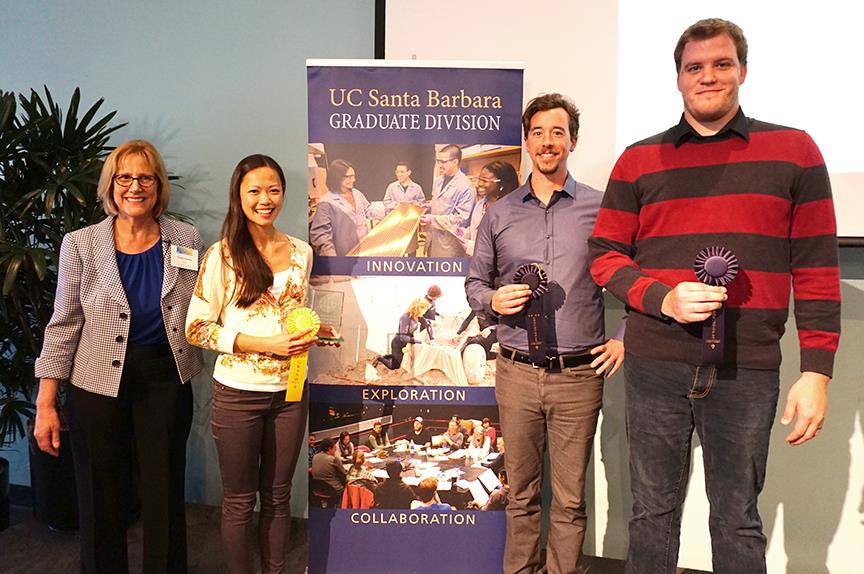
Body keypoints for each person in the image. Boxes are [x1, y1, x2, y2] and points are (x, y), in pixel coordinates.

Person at [588, 19, 841, 574]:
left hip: (745, 369)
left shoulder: (794, 152)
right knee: (651, 515)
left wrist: (817, 371)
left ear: (743, 72)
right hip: (655, 365)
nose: (708, 77)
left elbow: (818, 268)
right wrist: (662, 298)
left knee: (737, 520)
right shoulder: (637, 159)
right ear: (678, 79)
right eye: (694, 67)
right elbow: (605, 254)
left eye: (722, 64)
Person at [465, 93, 625, 574]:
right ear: (527, 141)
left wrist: (625, 334)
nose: (547, 141)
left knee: (571, 501)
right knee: (521, 495)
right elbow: (475, 281)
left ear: (572, 141)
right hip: (515, 373)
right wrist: (490, 300)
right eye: (537, 132)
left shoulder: (602, 207)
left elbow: (640, 275)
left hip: (579, 377)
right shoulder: (500, 213)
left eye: (557, 132)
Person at [33, 140, 203, 573]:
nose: (135, 186)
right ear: (110, 185)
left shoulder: (185, 238)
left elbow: (203, 306)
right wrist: (46, 402)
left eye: (145, 177)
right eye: (124, 177)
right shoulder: (81, 244)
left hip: (165, 377)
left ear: (158, 186)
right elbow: (64, 322)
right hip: (96, 383)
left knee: (164, 493)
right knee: (100, 494)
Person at [185, 153, 337, 574]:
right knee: (238, 499)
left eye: (273, 189)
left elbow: (293, 317)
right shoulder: (222, 254)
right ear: (238, 195)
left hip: (291, 392)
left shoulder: (302, 252)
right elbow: (196, 328)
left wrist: (312, 333)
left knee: (278, 494)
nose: (264, 199)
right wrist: (262, 344)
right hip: (237, 394)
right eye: (254, 190)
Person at [309, 159, 373, 256]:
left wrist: (388, 210)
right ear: (337, 177)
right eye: (349, 177)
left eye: (353, 176)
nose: (353, 180)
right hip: (345, 256)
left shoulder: (356, 193)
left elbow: (368, 209)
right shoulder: (326, 202)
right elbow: (321, 236)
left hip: (364, 250)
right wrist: (333, 261)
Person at [422, 144, 475, 257]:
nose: (439, 165)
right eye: (438, 161)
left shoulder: (466, 186)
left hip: (449, 244)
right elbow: (438, 201)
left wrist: (433, 220)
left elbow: (461, 219)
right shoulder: (439, 180)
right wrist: (427, 205)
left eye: (443, 162)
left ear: (455, 162)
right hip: (433, 238)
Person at [460, 160, 520, 256]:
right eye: (479, 179)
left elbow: (506, 250)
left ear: (502, 184)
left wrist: (474, 248)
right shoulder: (480, 205)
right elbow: (475, 232)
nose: (479, 183)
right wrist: (462, 233)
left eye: (485, 180)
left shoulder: (511, 211)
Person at [373, 298, 430, 370]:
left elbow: (426, 323)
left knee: (401, 357)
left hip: (405, 343)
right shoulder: (405, 318)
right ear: (418, 308)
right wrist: (418, 341)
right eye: (424, 310)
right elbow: (402, 337)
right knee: (395, 366)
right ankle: (380, 358)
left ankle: (389, 356)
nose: (425, 312)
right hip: (398, 344)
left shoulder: (417, 317)